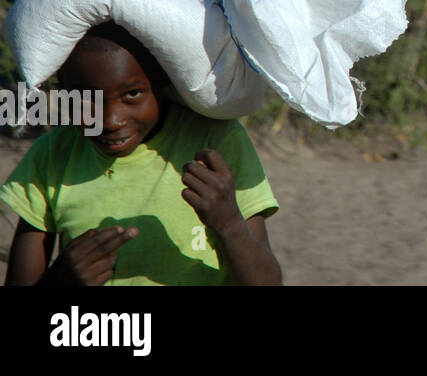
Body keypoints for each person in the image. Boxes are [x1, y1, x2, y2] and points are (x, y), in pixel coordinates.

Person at [1, 21, 282, 285]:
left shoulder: (215, 142)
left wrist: (229, 222)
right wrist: (59, 282)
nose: (111, 121)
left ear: (162, 83)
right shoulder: (53, 154)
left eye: (132, 94)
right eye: (88, 98)